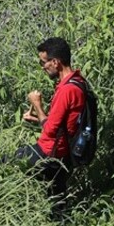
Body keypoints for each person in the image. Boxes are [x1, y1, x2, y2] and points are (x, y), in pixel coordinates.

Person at [14, 36, 87, 210]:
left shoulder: (66, 90)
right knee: (57, 203)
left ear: (55, 62)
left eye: (43, 63)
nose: (42, 68)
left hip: (51, 153)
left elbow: (51, 129)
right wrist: (37, 118)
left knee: (5, 164)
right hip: (65, 154)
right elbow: (62, 124)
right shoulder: (78, 81)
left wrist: (37, 105)